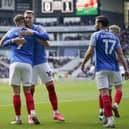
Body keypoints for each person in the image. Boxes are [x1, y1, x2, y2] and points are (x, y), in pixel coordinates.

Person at [81, 15, 129, 128]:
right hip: (114, 69)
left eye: (96, 23)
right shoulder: (114, 37)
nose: (95, 25)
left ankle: (110, 120)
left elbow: (90, 51)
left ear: (100, 24)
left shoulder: (96, 35)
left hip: (101, 68)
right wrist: (126, 69)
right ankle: (108, 116)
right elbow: (121, 54)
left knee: (105, 94)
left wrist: (83, 63)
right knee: (112, 91)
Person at [20, 10, 64, 121]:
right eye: (26, 17)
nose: (28, 19)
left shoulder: (38, 28)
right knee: (30, 91)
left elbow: (46, 37)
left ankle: (56, 113)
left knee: (51, 87)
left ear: (33, 18)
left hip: (42, 62)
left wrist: (33, 33)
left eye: (30, 17)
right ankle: (31, 115)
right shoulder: (21, 30)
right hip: (29, 64)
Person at [1, 14, 40, 125]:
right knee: (27, 91)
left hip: (15, 63)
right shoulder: (31, 32)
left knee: (16, 93)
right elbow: (45, 38)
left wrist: (13, 41)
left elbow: (1, 44)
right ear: (24, 21)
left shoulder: (12, 31)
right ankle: (32, 113)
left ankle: (18, 119)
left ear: (15, 22)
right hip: (28, 64)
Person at [98, 25, 123, 120]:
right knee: (119, 88)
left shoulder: (102, 39)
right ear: (118, 33)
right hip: (114, 68)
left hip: (103, 67)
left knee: (104, 91)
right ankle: (115, 105)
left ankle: (102, 111)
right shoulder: (116, 40)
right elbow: (118, 57)